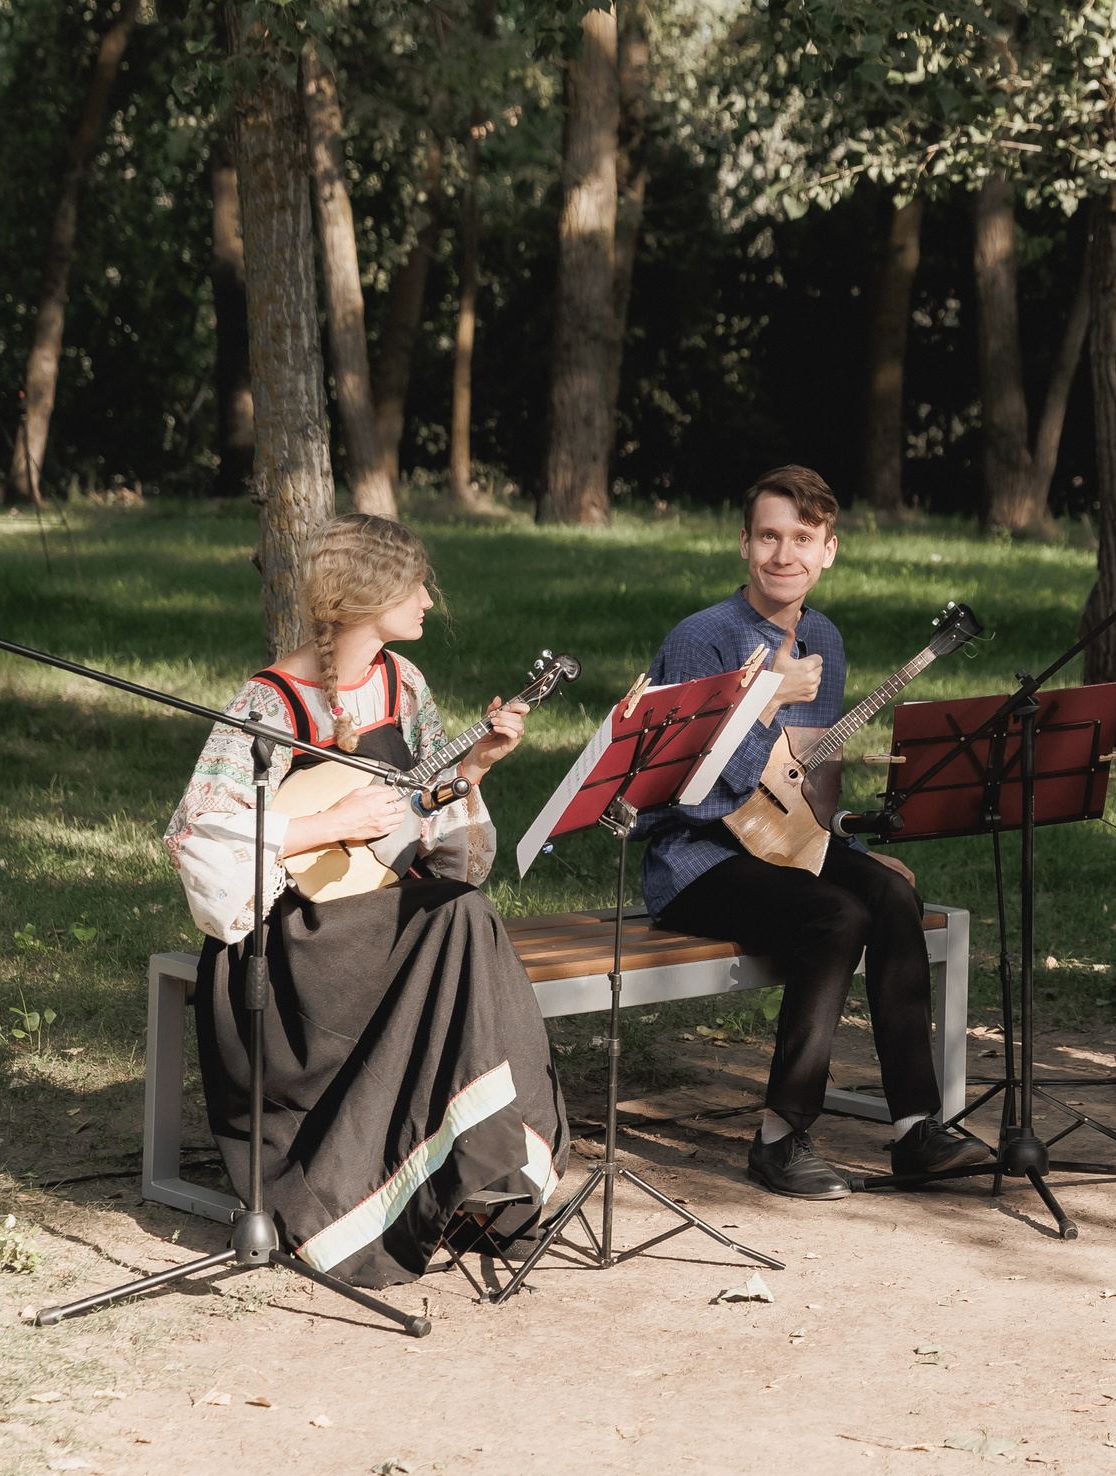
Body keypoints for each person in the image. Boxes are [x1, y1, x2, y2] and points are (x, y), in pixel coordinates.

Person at [164, 514, 567, 1288]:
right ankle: (477, 1165)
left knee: (460, 912)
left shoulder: (404, 685)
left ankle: (478, 1168)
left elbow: (419, 815)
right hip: (288, 945)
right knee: (460, 917)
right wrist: (327, 824)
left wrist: (473, 767)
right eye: (414, 582)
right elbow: (198, 838)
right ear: (366, 592)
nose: (428, 597)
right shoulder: (271, 700)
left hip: (370, 915)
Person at [640, 465, 989, 1200]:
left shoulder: (822, 635)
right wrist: (765, 703)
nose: (784, 554)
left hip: (785, 843)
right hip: (698, 858)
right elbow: (689, 787)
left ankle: (915, 1130)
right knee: (836, 912)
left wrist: (852, 852)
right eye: (769, 535)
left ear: (829, 549)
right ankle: (779, 1136)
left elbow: (805, 782)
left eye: (803, 538)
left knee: (887, 896)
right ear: (744, 543)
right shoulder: (702, 639)